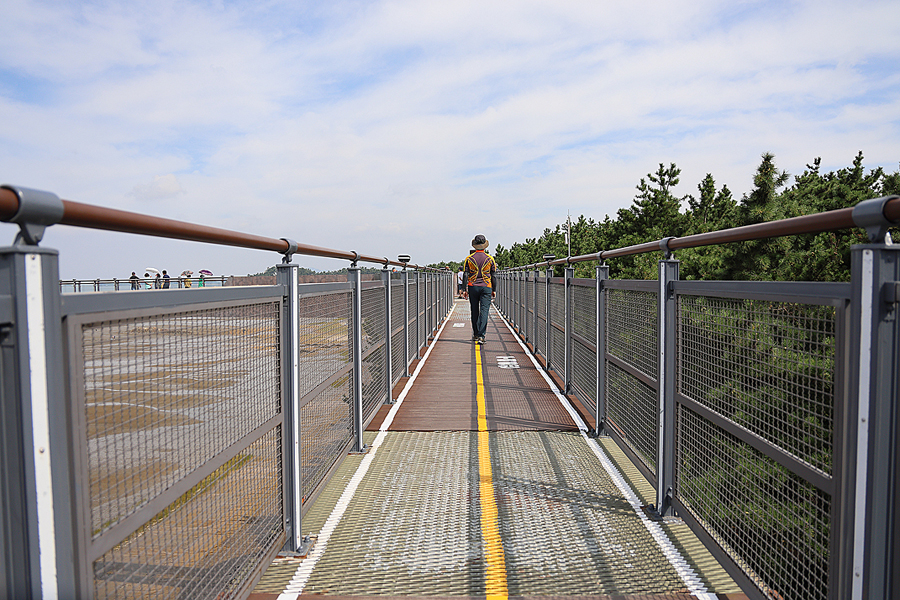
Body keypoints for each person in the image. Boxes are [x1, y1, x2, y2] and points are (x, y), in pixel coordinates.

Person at [463, 234, 496, 345]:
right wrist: (494, 289)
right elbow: (493, 275)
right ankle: (482, 336)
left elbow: (465, 274)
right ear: (485, 246)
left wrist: (464, 289)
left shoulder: (469, 258)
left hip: (473, 286)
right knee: (484, 311)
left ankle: (476, 334)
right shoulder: (490, 258)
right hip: (486, 286)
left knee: (474, 310)